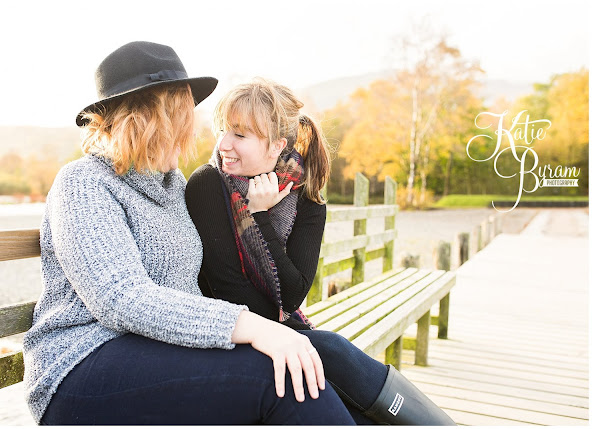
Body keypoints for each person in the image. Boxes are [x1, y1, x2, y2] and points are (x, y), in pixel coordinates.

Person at [22, 41, 357, 425]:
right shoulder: (83, 183)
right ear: (146, 119)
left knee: (300, 369)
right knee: (278, 382)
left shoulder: (171, 184)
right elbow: (121, 298)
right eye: (182, 114)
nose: (191, 129)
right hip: (80, 368)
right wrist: (250, 326)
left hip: (160, 354)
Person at [185, 78, 456, 425]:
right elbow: (229, 291)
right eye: (222, 130)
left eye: (240, 135)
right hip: (228, 332)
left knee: (337, 381)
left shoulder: (306, 198)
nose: (224, 144)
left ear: (276, 146)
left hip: (280, 325)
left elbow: (295, 293)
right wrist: (257, 214)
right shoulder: (207, 184)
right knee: (326, 350)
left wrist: (261, 217)